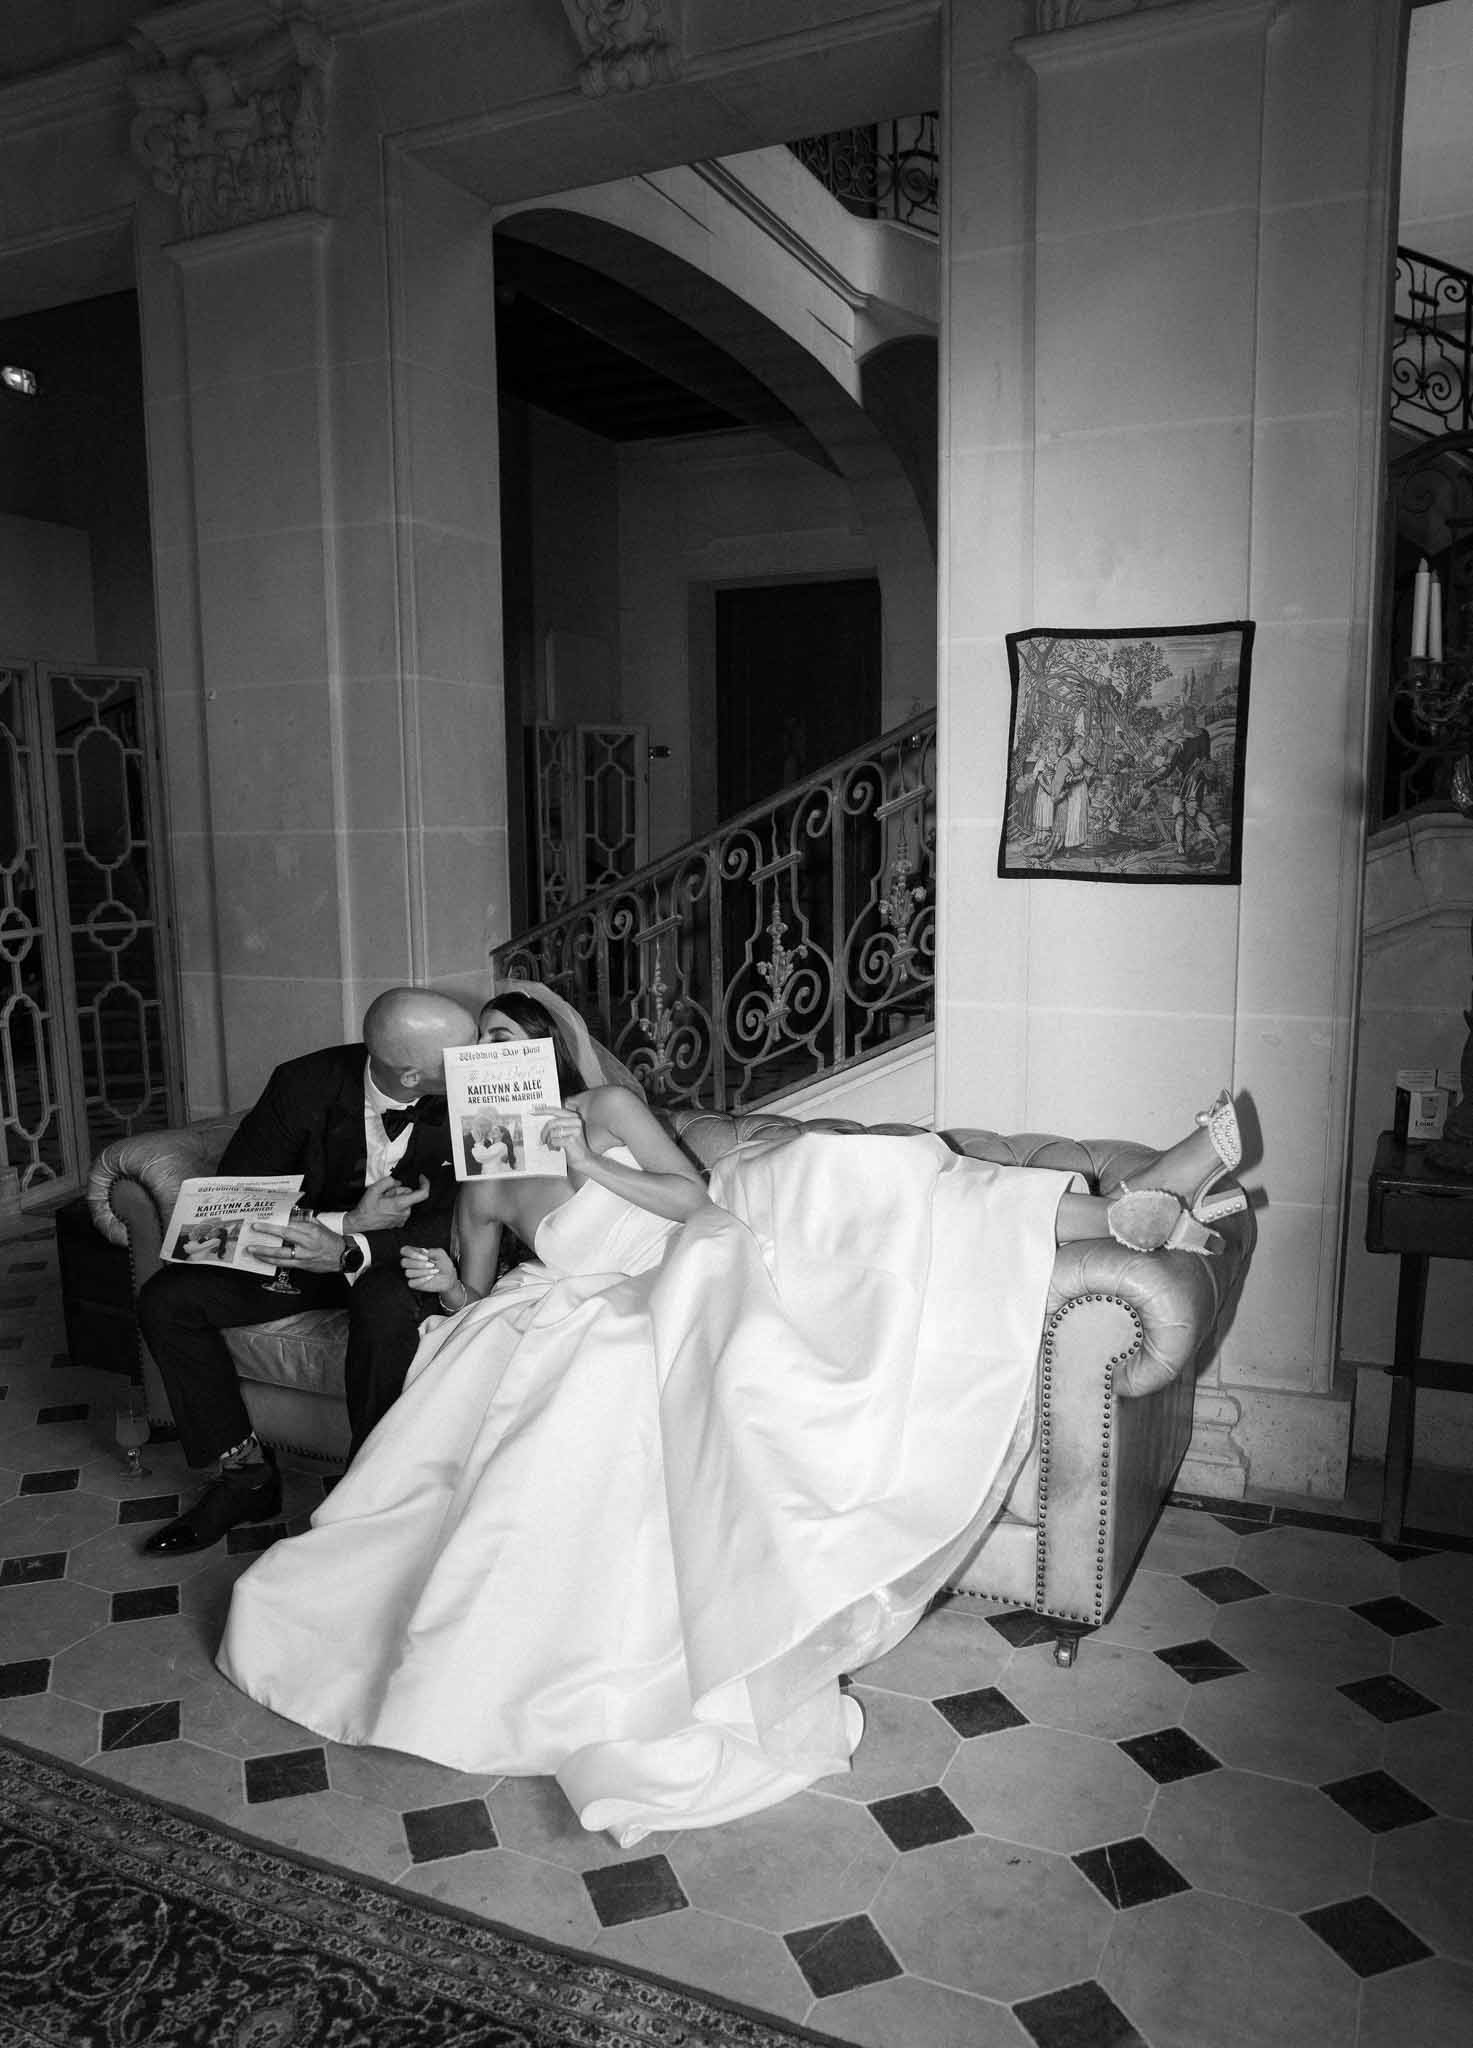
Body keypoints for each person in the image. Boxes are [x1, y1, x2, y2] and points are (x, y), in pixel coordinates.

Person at [218, 986, 1250, 1844]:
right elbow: (474, 1294)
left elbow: (700, 1207)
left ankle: (1118, 1207)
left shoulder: (611, 1109)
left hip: (710, 1250)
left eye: (510, 1038)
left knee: (870, 1180)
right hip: (617, 1299)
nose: (497, 1056)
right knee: (607, 1359)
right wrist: (447, 1279)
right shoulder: (486, 1177)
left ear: (546, 1046)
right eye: (480, 1049)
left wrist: (590, 1160)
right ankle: (1125, 1207)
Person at [137, 985, 479, 1555]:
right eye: (461, 1052)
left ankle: (369, 1494)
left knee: (384, 1305)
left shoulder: (477, 1096)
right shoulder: (303, 1083)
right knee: (167, 1300)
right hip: (301, 1253)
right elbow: (236, 1198)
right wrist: (344, 1223)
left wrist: (352, 1249)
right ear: (411, 1075)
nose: (477, 1063)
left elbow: (453, 1222)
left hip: (403, 1261)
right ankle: (245, 1475)